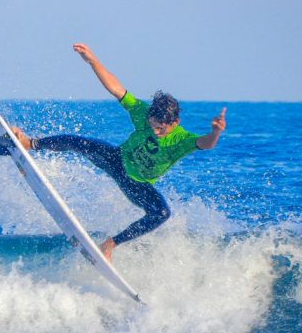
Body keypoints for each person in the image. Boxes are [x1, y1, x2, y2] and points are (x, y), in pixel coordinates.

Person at [12, 43, 226, 262]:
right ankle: (30, 143)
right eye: (153, 124)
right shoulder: (143, 113)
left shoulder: (181, 140)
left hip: (137, 184)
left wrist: (215, 132)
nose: (155, 130)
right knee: (79, 142)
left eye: (161, 127)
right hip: (116, 160)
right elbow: (116, 89)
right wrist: (92, 60)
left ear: (175, 122)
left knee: (161, 214)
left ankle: (110, 244)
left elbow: (206, 143)